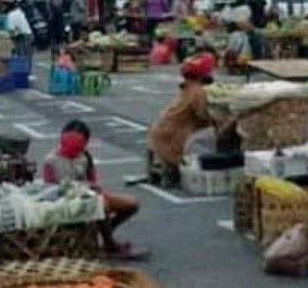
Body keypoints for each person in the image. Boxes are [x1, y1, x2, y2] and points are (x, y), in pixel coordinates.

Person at [42, 120, 143, 257]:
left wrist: (93, 188)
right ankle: (110, 243)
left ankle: (106, 231)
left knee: (132, 204)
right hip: (67, 202)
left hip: (89, 195)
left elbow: (93, 181)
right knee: (103, 207)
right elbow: (49, 191)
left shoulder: (85, 157)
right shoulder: (51, 161)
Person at [147, 52, 216, 186]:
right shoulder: (198, 92)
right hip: (173, 137)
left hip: (159, 131)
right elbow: (203, 116)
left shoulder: (186, 87)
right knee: (213, 133)